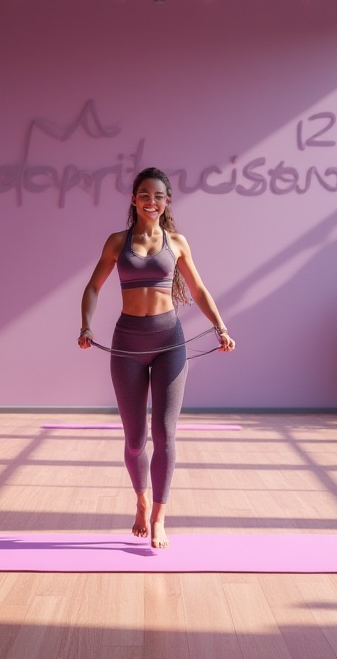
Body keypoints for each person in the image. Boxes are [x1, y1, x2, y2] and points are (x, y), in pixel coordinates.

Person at [79, 166, 236, 549]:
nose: (152, 201)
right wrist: (86, 325)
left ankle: (159, 518)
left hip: (170, 340)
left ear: (167, 202)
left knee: (165, 435)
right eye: (145, 194)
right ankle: (141, 499)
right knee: (135, 441)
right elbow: (93, 287)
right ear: (134, 199)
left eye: (159, 196)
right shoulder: (117, 242)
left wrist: (220, 326)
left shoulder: (177, 242)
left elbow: (197, 289)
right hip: (127, 344)